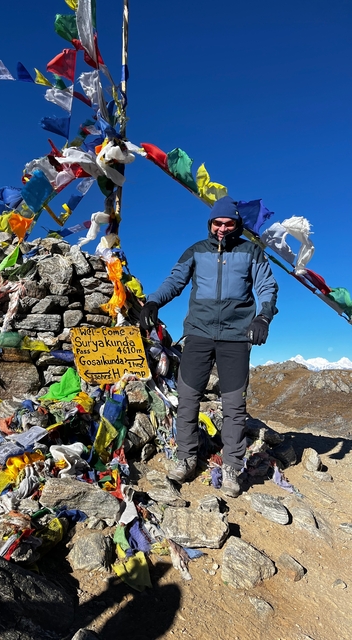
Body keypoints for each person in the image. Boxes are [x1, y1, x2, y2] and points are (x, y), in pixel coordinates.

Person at [139, 196, 278, 497]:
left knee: (234, 405)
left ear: (237, 225)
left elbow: (267, 286)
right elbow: (174, 281)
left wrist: (263, 317)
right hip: (199, 334)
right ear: (210, 224)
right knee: (187, 398)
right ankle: (186, 458)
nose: (223, 228)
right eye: (218, 223)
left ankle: (232, 468)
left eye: (229, 223)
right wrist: (153, 300)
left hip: (236, 336)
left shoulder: (251, 252)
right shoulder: (196, 251)